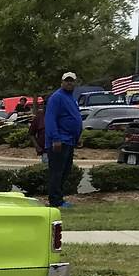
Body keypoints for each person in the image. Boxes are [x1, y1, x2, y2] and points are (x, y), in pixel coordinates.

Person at [44, 72, 83, 209]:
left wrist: (77, 137)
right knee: (57, 172)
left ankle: (58, 198)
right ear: (61, 82)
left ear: (75, 83)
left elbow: (73, 118)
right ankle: (55, 201)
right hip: (60, 140)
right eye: (66, 81)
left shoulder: (71, 98)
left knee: (65, 171)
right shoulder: (57, 97)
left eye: (71, 81)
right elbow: (50, 119)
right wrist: (55, 138)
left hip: (70, 140)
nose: (69, 83)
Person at [28, 98, 47, 164]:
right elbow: (31, 134)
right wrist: (37, 146)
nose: (45, 106)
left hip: (59, 151)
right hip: (45, 151)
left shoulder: (59, 117)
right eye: (44, 104)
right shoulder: (38, 118)